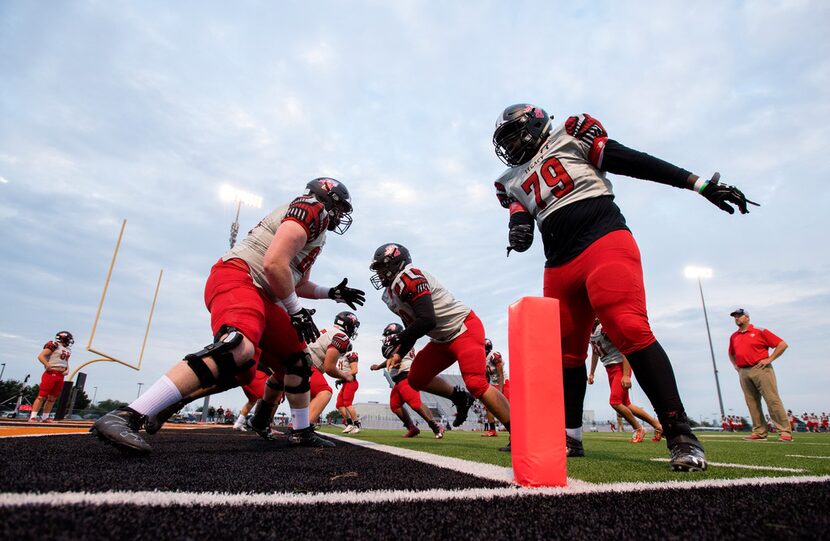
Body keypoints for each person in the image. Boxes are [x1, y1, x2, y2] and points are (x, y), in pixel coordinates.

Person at [490, 104, 758, 470]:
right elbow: (520, 221)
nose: (512, 145)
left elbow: (630, 160)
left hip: (603, 241)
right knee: (566, 353)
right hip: (558, 265)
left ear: (535, 125)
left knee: (629, 327)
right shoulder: (509, 181)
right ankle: (570, 436)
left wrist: (698, 183)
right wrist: (517, 231)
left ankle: (681, 434)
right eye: (506, 140)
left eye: (515, 134)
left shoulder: (570, 133)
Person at [92, 178, 364, 453]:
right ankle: (128, 415)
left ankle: (301, 430)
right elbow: (273, 264)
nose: (341, 215)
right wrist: (295, 311)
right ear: (327, 198)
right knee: (238, 348)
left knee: (297, 362)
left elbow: (296, 281)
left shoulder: (317, 231)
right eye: (340, 207)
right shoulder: (311, 208)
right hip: (240, 277)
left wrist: (331, 293)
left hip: (264, 293)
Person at [369, 243, 511, 441]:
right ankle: (460, 398)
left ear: (396, 263)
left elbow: (427, 320)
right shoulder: (392, 292)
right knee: (416, 378)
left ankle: (518, 431)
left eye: (382, 267)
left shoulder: (410, 277)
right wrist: (399, 353)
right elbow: (413, 328)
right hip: (441, 339)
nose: (380, 273)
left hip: (463, 328)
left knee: (476, 383)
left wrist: (399, 338)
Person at [588, 319, 662, 443]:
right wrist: (592, 372)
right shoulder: (590, 331)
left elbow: (624, 349)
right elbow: (595, 353)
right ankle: (658, 426)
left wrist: (626, 375)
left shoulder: (605, 327)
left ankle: (638, 428)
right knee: (626, 404)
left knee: (615, 402)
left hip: (620, 366)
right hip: (609, 368)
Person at [370, 322, 445, 439]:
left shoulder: (402, 342)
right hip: (399, 379)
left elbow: (396, 359)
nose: (388, 339)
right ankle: (412, 428)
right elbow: (394, 359)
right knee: (395, 405)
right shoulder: (403, 341)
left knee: (415, 403)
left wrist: (380, 366)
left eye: (390, 335)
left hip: (405, 375)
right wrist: (380, 366)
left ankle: (436, 426)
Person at [727, 308, 792, 442]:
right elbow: (731, 353)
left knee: (772, 400)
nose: (737, 319)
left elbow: (782, 344)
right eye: (735, 317)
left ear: (747, 317)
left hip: (761, 369)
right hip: (744, 371)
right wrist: (735, 365)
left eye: (739, 316)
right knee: (752, 402)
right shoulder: (734, 336)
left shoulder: (759, 331)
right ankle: (759, 432)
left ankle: (785, 431)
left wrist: (770, 359)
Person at [295, 311, 360, 428]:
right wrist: (345, 376)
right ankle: (302, 430)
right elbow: (329, 368)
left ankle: (300, 426)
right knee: (325, 392)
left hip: (297, 361)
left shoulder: (327, 332)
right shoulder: (342, 337)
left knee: (311, 397)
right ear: (348, 325)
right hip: (306, 365)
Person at [29, 331, 73, 423]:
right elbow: (41, 356)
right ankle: (33, 417)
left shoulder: (67, 349)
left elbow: (65, 360)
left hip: (60, 375)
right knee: (42, 396)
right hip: (51, 373)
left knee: (52, 398)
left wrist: (67, 369)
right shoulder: (54, 345)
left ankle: (45, 417)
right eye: (68, 339)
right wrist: (47, 364)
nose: (69, 342)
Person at [481, 338, 504, 437]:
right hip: (493, 383)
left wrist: (500, 390)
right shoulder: (483, 359)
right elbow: (486, 376)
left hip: (503, 381)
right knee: (488, 406)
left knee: (508, 406)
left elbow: (501, 374)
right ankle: (492, 430)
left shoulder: (493, 355)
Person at [335, 350, 361, 434]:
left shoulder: (350, 355)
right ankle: (349, 424)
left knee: (347, 403)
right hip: (345, 383)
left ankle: (357, 425)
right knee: (339, 404)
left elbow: (354, 370)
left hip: (351, 382)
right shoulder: (340, 356)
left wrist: (342, 376)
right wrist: (340, 379)